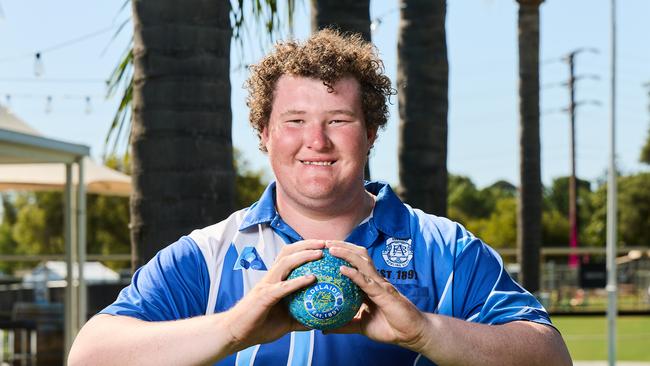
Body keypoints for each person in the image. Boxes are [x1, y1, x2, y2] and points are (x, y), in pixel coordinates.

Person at [68, 29, 571, 366]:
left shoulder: (445, 248)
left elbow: (550, 355)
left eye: (338, 120)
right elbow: (89, 355)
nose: (317, 141)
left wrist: (423, 331)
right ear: (264, 133)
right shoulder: (209, 254)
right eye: (295, 121)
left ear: (371, 131)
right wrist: (234, 329)